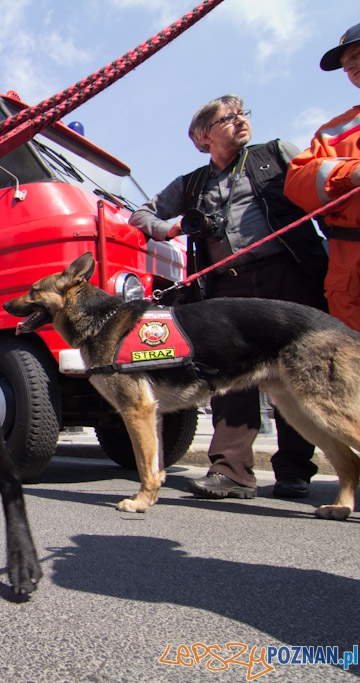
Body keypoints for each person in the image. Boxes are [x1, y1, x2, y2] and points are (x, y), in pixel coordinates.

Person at [129, 95, 329, 501]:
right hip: (228, 286)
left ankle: (293, 472)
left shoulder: (276, 153)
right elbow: (141, 213)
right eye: (228, 118)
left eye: (242, 114)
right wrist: (172, 229)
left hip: (288, 273)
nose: (240, 121)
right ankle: (231, 471)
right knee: (228, 379)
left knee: (298, 374)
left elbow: (323, 188)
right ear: (203, 137)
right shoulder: (191, 183)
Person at [285, 21, 360, 333]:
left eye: (357, 56)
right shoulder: (332, 131)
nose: (351, 67)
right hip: (350, 263)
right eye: (346, 64)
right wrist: (350, 173)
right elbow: (297, 182)